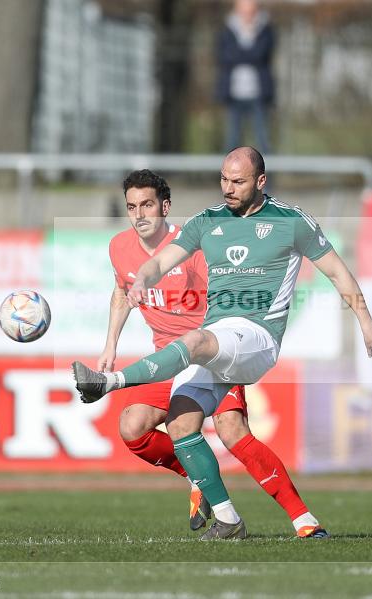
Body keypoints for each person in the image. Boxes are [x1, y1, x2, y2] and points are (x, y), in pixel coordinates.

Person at [73, 148, 372, 539]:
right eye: (223, 179)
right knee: (181, 424)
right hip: (215, 341)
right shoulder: (208, 222)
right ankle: (235, 519)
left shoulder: (291, 221)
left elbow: (338, 272)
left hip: (256, 337)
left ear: (260, 181)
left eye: (237, 181)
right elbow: (159, 262)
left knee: (206, 363)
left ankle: (109, 383)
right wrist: (142, 279)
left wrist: (367, 323)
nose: (227, 189)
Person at [100, 168, 325, 539]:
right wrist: (110, 344)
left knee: (232, 430)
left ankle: (304, 520)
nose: (139, 215)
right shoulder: (118, 247)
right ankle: (196, 477)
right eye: (131, 207)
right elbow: (122, 290)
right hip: (164, 360)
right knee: (131, 427)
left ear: (165, 206)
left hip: (208, 354)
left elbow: (230, 296)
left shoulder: (193, 247)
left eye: (147, 205)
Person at [217, 0, 274, 154]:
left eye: (251, 11)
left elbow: (261, 54)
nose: (247, 15)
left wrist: (239, 53)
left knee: (263, 140)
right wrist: (250, 53)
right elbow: (225, 56)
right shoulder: (228, 30)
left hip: (259, 94)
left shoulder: (265, 29)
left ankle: (267, 177)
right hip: (234, 93)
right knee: (232, 141)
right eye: (244, 11)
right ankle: (228, 177)